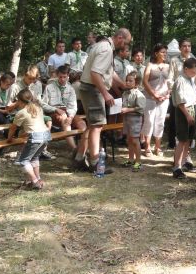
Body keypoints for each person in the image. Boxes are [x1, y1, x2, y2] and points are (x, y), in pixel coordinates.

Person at [78, 28, 131, 174]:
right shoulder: (106, 49)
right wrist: (105, 93)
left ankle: (79, 159)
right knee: (97, 126)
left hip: (89, 88)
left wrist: (122, 85)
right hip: (92, 89)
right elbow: (95, 73)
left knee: (92, 126)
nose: (126, 46)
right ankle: (95, 164)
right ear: (120, 38)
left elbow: (109, 72)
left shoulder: (103, 46)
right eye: (126, 42)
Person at [7, 89, 51, 190]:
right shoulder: (38, 108)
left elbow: (13, 128)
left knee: (23, 161)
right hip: (46, 135)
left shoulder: (21, 112)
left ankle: (34, 182)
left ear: (19, 101)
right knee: (34, 158)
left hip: (35, 137)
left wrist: (9, 139)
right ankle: (38, 179)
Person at [42, 65, 86, 155]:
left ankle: (83, 149)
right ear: (57, 76)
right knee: (64, 119)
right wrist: (55, 109)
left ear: (68, 76)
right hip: (54, 112)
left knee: (82, 124)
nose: (62, 79)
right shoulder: (49, 87)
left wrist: (71, 116)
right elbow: (43, 104)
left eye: (64, 77)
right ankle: (74, 150)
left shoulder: (70, 88)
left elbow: (73, 106)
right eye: (60, 77)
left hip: (68, 112)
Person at [168, 38, 196, 168]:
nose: (186, 48)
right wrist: (175, 89)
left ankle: (186, 159)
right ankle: (177, 163)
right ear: (180, 48)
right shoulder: (174, 61)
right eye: (184, 46)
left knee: (188, 137)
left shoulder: (194, 61)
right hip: (180, 102)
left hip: (191, 102)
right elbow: (170, 79)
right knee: (180, 135)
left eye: (189, 46)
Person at [171, 57, 196, 179]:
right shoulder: (180, 80)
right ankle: (176, 167)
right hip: (184, 111)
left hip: (192, 109)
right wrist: (187, 115)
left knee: (188, 139)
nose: (195, 74)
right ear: (186, 69)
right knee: (182, 139)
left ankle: (184, 162)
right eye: (193, 71)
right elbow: (180, 101)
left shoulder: (190, 79)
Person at [141, 43, 171, 157]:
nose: (165, 54)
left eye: (165, 52)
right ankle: (147, 147)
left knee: (160, 122)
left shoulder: (168, 66)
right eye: (163, 52)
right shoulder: (150, 65)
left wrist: (167, 94)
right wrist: (154, 94)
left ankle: (158, 147)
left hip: (164, 98)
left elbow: (171, 82)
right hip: (150, 97)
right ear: (156, 53)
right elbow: (145, 81)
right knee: (149, 121)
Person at [121, 71, 146, 171]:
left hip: (135, 119)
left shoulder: (139, 94)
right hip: (126, 118)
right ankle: (131, 159)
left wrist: (128, 109)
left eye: (130, 81)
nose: (127, 82)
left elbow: (140, 108)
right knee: (129, 140)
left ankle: (138, 161)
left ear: (136, 83)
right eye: (126, 80)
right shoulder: (125, 93)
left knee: (135, 140)